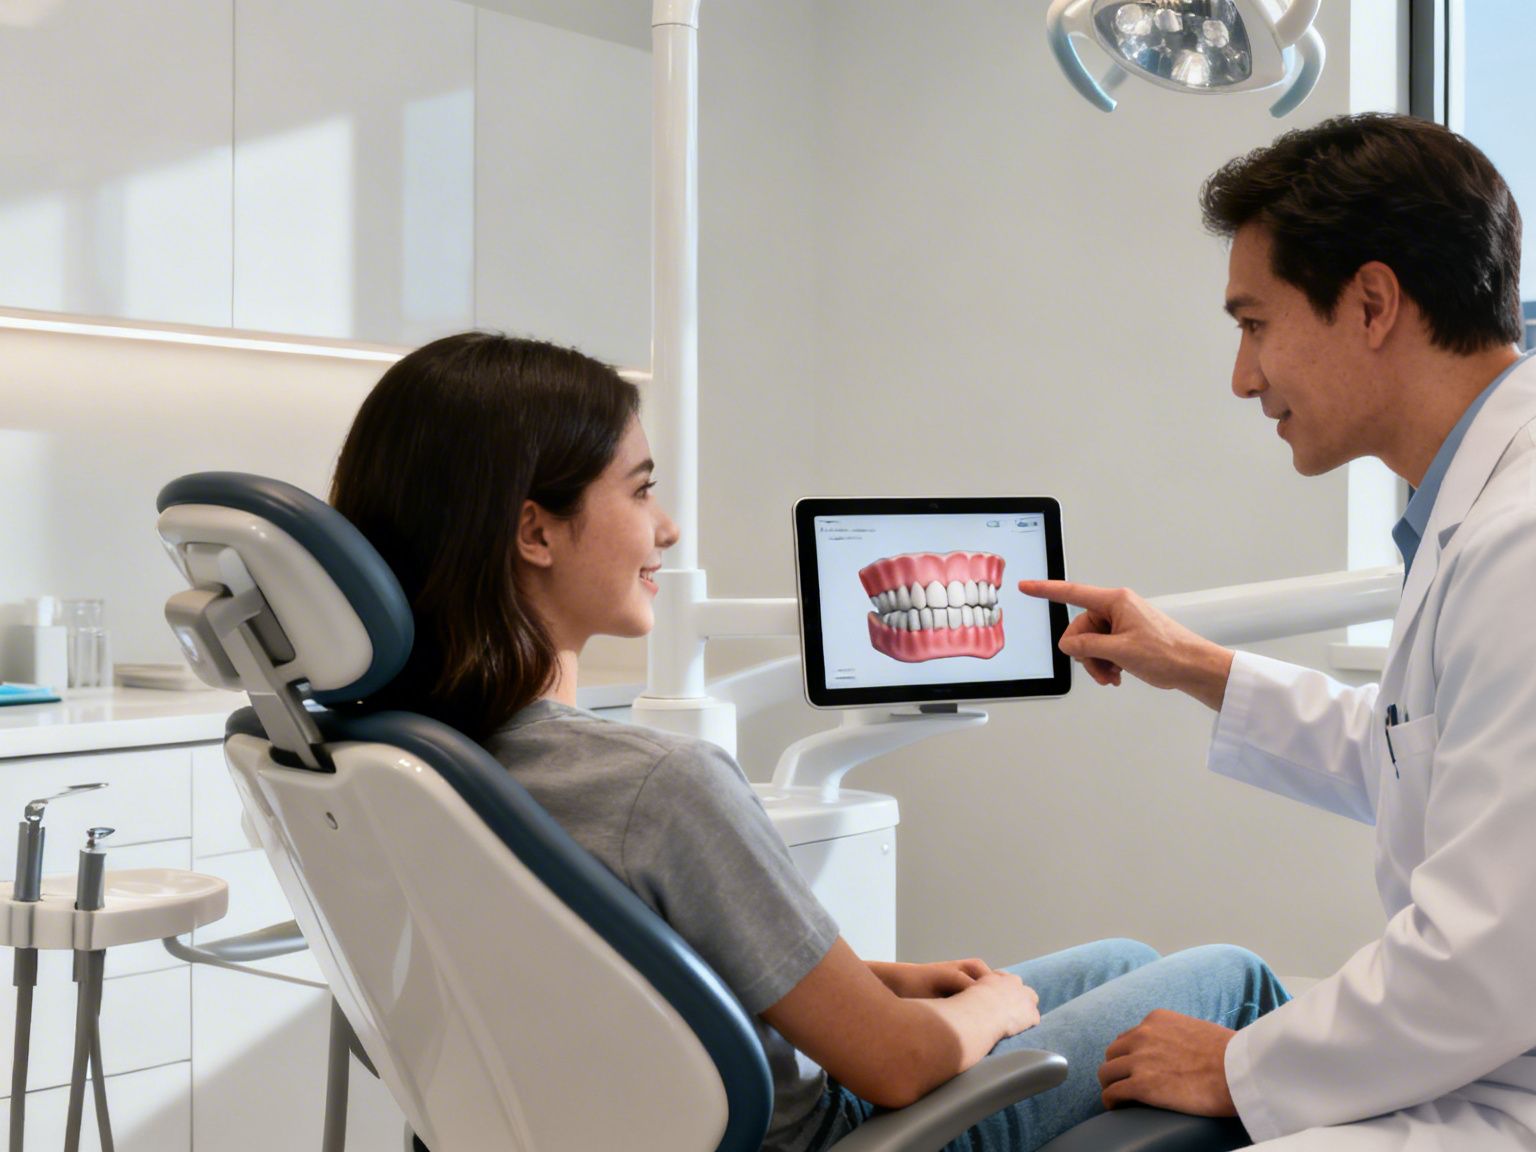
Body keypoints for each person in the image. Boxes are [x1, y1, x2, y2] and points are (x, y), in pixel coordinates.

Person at [1020, 113, 1536, 1149]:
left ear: (1371, 303)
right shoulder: (1514, 495)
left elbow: (1486, 965)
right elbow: (1427, 754)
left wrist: (1236, 1064)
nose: (1242, 377)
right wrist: (1186, 662)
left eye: (1254, 323)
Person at [325, 331, 1288, 1152]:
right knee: (1232, 979)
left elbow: (609, 967)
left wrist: (882, 979)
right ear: (536, 531)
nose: (664, 526)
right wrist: (991, 1013)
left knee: (1122, 956)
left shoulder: (406, 764)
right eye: (639, 490)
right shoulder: (657, 786)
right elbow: (902, 1064)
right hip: (841, 1133)